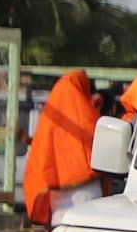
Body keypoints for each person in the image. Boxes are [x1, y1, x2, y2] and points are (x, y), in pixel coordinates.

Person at [23, 69, 111, 224]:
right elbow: (105, 148)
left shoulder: (48, 120)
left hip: (58, 199)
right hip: (88, 195)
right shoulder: (89, 117)